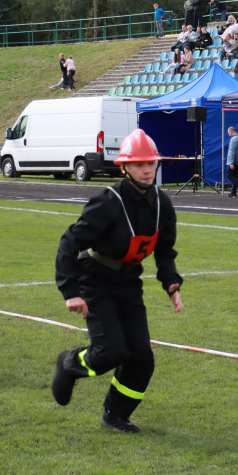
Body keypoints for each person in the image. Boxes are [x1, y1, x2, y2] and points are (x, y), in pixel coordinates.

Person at [51, 129, 183, 434]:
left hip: (129, 284)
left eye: (151, 163)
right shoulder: (107, 201)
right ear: (124, 167)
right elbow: (70, 242)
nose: (147, 169)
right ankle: (69, 364)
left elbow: (164, 251)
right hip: (95, 281)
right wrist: (71, 291)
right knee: (110, 352)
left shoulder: (162, 204)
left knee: (141, 358)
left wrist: (171, 284)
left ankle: (115, 414)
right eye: (139, 164)